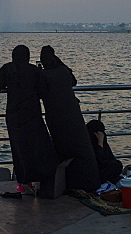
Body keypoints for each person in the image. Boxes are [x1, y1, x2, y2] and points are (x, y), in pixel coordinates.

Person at [0, 45, 58, 195]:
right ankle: (42, 180)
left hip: (15, 117)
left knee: (19, 150)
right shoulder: (35, 71)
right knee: (38, 147)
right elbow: (43, 91)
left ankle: (23, 182)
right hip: (33, 115)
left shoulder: (8, 69)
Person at [38, 46, 99, 191]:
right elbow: (74, 81)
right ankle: (88, 181)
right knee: (80, 147)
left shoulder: (44, 75)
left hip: (55, 117)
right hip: (73, 115)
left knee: (62, 148)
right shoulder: (63, 70)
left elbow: (40, 92)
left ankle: (65, 183)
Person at [85, 119, 124, 185]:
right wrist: (100, 143)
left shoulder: (104, 143)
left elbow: (110, 158)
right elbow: (99, 160)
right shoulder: (88, 145)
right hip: (92, 173)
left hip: (102, 171)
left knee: (116, 165)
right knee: (116, 166)